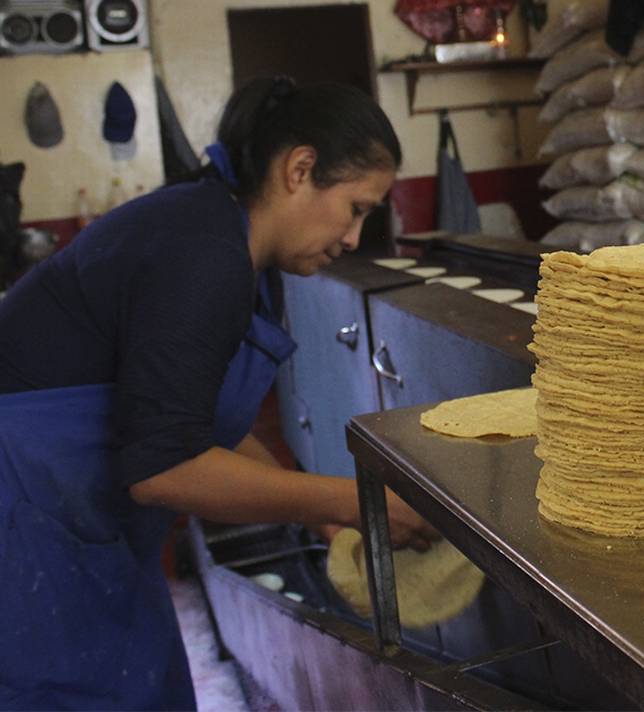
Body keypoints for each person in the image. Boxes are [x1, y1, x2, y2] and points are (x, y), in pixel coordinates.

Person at [0, 77, 440, 710]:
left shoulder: (226, 242)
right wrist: (355, 502)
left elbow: (193, 419)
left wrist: (322, 514)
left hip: (77, 530)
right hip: (25, 528)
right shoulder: (202, 253)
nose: (352, 239)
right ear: (300, 169)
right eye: (357, 208)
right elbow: (164, 468)